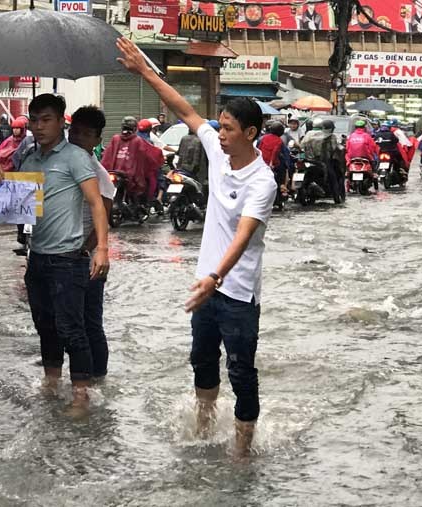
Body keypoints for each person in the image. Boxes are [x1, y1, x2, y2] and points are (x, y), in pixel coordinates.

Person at [118, 37, 277, 456]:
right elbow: (185, 110)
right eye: (219, 127)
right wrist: (144, 72)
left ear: (250, 133)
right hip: (206, 286)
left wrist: (216, 277)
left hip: (237, 291)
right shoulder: (218, 154)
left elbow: (243, 236)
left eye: (227, 128)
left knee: (242, 371)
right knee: (202, 361)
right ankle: (205, 426)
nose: (219, 134)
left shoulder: (263, 182)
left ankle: (243, 446)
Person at [20, 94, 110, 416]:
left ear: (61, 122)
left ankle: (81, 396)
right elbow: (15, 205)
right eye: (34, 120)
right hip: (38, 256)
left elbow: (98, 203)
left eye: (46, 119)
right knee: (45, 325)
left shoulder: (76, 158)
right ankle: (51, 382)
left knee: (74, 328)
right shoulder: (29, 160)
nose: (39, 126)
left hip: (69, 259)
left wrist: (101, 249)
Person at [68, 106, 116, 380]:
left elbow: (103, 221)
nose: (78, 138)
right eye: (75, 132)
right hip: (65, 255)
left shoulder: (99, 175)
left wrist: (85, 250)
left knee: (90, 323)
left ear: (97, 140)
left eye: (86, 135)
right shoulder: (63, 166)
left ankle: (98, 378)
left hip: (86, 258)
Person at [101, 116, 165, 205]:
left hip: (114, 172)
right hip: (130, 175)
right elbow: (149, 155)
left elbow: (106, 155)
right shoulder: (137, 140)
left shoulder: (115, 138)